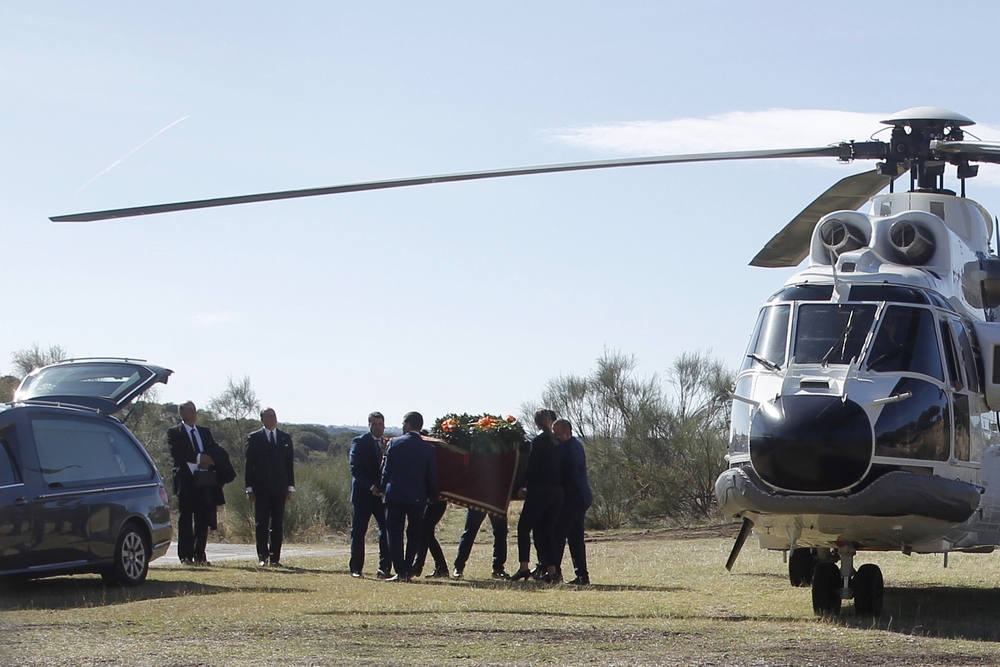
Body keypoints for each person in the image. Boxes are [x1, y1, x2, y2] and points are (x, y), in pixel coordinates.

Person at [380, 411, 439, 581]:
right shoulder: (428, 448)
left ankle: (399, 570)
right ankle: (407, 569)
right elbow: (432, 475)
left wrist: (383, 489)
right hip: (417, 497)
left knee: (394, 533)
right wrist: (433, 495)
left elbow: (386, 470)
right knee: (414, 534)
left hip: (395, 495)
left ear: (407, 425)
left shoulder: (394, 444)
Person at [511, 408, 563, 583]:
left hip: (540, 490)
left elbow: (532, 466)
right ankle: (552, 570)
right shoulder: (557, 441)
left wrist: (523, 486)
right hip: (557, 491)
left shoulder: (539, 440)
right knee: (547, 530)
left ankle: (524, 567)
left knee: (523, 528)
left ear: (536, 423)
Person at [167, 401, 222, 565]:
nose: (193, 413)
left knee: (202, 519)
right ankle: (186, 555)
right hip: (186, 481)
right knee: (185, 518)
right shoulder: (174, 432)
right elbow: (177, 452)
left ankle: (200, 555)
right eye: (189, 410)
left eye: (195, 410)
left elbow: (214, 449)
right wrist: (199, 458)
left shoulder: (204, 432)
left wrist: (210, 459)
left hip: (203, 480)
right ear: (181, 413)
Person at [245, 407, 295, 567]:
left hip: (279, 488)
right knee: (262, 523)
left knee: (277, 523)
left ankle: (275, 558)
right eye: (268, 416)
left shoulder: (285, 438)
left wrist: (290, 487)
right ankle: (262, 556)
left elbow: (289, 465)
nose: (272, 419)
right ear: (262, 419)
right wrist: (249, 488)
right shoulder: (254, 438)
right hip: (260, 488)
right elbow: (249, 465)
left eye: (273, 415)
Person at [349, 411, 392, 578]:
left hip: (381, 496)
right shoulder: (359, 442)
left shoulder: (387, 443)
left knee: (385, 531)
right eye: (375, 424)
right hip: (363, 494)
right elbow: (355, 468)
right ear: (369, 425)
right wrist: (370, 486)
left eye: (381, 424)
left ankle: (384, 568)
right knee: (359, 532)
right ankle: (356, 568)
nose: (378, 428)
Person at [552, 418, 593, 585]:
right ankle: (582, 576)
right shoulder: (574, 445)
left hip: (573, 500)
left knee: (559, 536)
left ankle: (554, 572)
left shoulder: (569, 451)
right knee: (575, 538)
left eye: (557, 433)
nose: (554, 436)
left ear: (567, 432)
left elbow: (571, 480)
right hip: (581, 498)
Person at [452, 508, 509, 579]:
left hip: (496, 501)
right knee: (469, 532)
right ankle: (458, 567)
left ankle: (498, 569)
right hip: (479, 500)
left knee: (501, 533)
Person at [412, 499, 449, 577]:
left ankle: (418, 565)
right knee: (428, 534)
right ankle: (441, 568)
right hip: (432, 501)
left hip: (435, 501)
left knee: (424, 532)